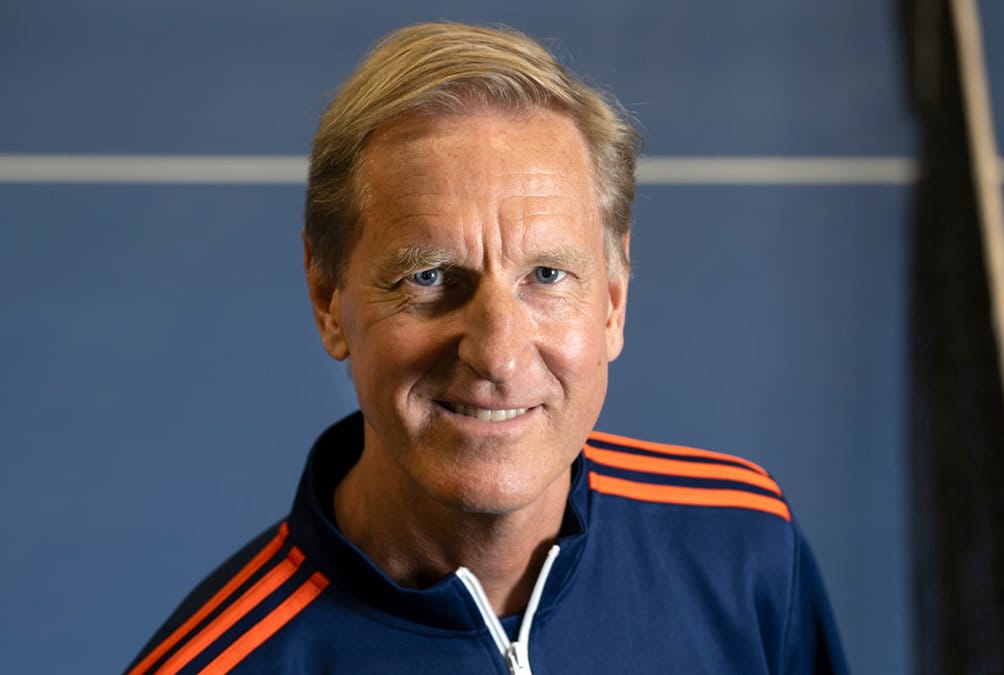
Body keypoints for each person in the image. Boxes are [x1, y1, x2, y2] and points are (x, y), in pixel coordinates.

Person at [127, 22, 848, 674]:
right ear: (328, 298)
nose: (498, 355)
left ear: (613, 300)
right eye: (429, 277)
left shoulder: (743, 546)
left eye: (547, 274)